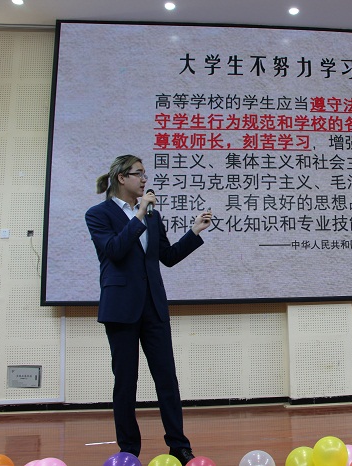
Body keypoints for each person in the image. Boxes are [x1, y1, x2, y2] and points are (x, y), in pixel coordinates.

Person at [85, 154, 212, 465]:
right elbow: (114, 251)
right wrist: (139, 215)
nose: (145, 179)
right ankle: (129, 449)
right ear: (121, 178)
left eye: (145, 174)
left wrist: (193, 232)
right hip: (120, 308)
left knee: (167, 379)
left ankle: (179, 445)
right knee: (125, 381)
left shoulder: (152, 216)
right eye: (138, 174)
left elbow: (166, 257)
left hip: (153, 306)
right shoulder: (99, 214)